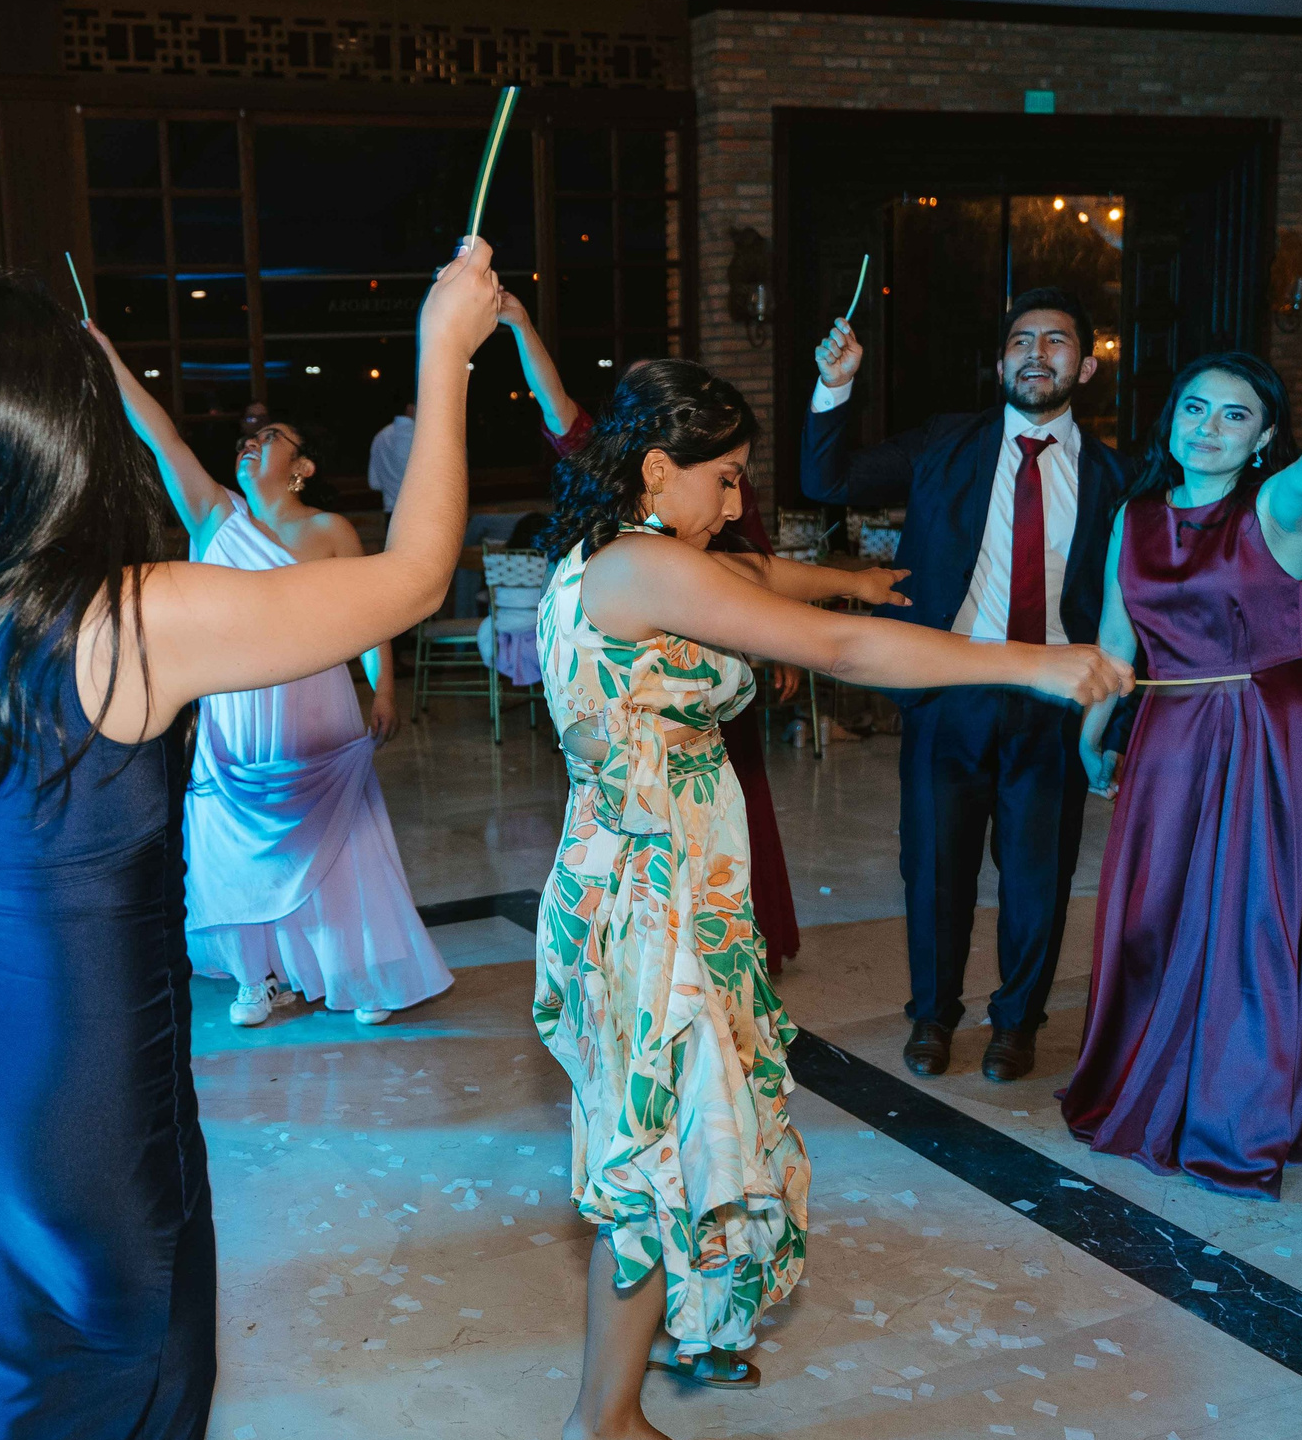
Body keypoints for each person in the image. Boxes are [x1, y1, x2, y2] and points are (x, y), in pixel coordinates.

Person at [0, 247, 502, 1440]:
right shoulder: (131, 617)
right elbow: (417, 579)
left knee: (7, 1369)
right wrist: (442, 354)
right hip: (72, 1092)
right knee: (137, 1377)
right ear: (68, 441)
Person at [533, 373, 1130, 1440]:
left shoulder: (641, 552)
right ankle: (600, 1425)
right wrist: (1029, 660)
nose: (738, 491)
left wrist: (855, 578)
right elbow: (836, 653)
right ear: (658, 469)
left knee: (697, 1136)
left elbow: (769, 579)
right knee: (658, 1161)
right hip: (649, 910)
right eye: (723, 473)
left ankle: (668, 1338)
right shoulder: (643, 567)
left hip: (669, 888)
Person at [1061, 358, 1302, 1199]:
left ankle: (1239, 1110)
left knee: (1255, 919)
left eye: (1234, 416)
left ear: (1262, 439)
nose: (1208, 427)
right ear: (1172, 418)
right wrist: (1091, 736)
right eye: (1194, 408)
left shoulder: (1277, 504)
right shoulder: (1133, 516)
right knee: (1156, 914)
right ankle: (1154, 1075)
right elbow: (1116, 642)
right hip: (1171, 730)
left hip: (1272, 729)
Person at [801, 287, 1131, 1083]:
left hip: (1053, 700)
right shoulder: (946, 442)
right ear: (999, 362)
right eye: (1021, 340)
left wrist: (1112, 722)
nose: (1035, 353)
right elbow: (827, 478)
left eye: (1056, 341)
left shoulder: (1119, 476)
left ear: (1085, 365)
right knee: (936, 867)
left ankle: (1016, 1022)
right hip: (948, 692)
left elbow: (1130, 606)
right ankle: (932, 1016)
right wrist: (835, 384)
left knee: (1037, 876)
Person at [500, 291, 854, 973]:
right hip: (649, 724)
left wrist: (780, 630)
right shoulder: (627, 515)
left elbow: (750, 564)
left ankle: (747, 935)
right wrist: (518, 321)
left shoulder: (710, 472)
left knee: (737, 803)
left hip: (719, 665)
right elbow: (552, 400)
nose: (729, 496)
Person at [104, 341, 448, 1027]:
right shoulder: (215, 518)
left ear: (303, 468)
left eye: (271, 439)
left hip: (315, 707)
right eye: (249, 438)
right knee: (231, 841)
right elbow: (159, 434)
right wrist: (105, 355)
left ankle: (360, 970)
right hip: (236, 713)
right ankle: (256, 977)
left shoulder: (330, 530)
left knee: (339, 839)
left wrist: (383, 688)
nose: (252, 443)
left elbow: (371, 615)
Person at [366, 396, 416, 511]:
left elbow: (374, 483)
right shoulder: (419, 434)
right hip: (419, 513)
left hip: (391, 513)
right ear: (410, 407)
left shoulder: (381, 435)